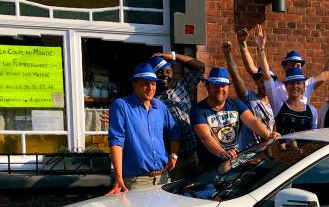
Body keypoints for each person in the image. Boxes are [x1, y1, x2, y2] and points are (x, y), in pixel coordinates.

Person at [102, 52, 205, 181]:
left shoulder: (180, 86)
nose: (165, 76)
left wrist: (173, 56)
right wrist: (118, 120)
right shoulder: (148, 100)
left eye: (168, 71)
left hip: (193, 152)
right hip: (169, 164)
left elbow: (200, 67)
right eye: (160, 73)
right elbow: (122, 135)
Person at [107, 63, 181, 194]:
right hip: (136, 181)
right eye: (145, 84)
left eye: (153, 84)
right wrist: (118, 176)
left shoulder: (160, 107)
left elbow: (175, 131)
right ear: (134, 84)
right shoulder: (122, 106)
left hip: (163, 178)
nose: (150, 88)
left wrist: (173, 155)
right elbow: (116, 141)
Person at [191, 67, 279, 168]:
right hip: (210, 167)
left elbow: (252, 121)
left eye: (223, 86)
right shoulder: (198, 110)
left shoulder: (235, 103)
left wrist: (269, 136)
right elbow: (205, 137)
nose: (220, 89)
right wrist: (222, 153)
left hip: (235, 162)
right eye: (215, 85)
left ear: (228, 87)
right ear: (207, 86)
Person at [240, 24, 329, 109]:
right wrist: (243, 44)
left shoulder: (308, 84)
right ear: (284, 67)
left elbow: (328, 71)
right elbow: (252, 69)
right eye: (292, 64)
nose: (295, 67)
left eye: (298, 65)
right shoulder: (276, 85)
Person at [222, 40, 276, 150]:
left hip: (266, 152)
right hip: (247, 152)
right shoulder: (249, 97)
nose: (265, 85)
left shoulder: (276, 104)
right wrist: (228, 54)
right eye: (262, 81)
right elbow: (236, 77)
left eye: (267, 82)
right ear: (256, 81)